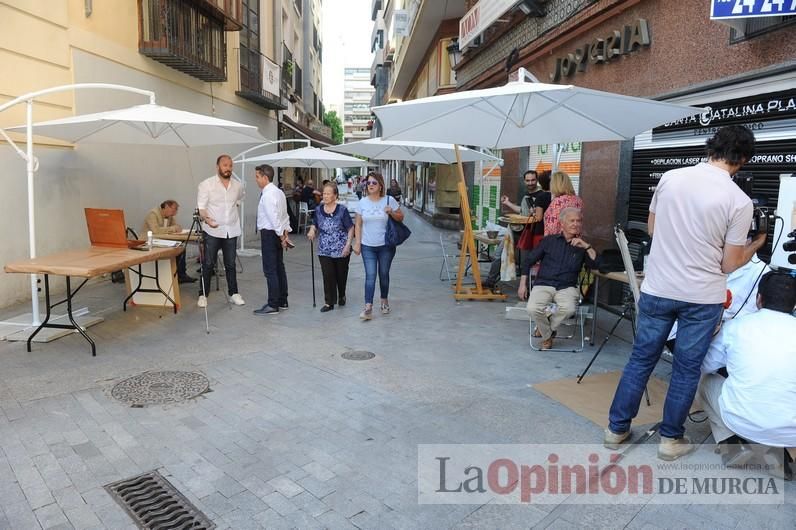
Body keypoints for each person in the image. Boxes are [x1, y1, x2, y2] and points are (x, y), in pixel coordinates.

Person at [605, 125, 768, 461]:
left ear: (712, 147)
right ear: (744, 159)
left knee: (641, 359)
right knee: (686, 368)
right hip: (702, 297)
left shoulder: (671, 177)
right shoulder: (739, 201)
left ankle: (616, 429)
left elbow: (652, 228)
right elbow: (729, 263)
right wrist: (755, 247)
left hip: (658, 288)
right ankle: (670, 440)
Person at [698, 271, 796, 476]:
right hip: (792, 432)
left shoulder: (737, 327)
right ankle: (779, 455)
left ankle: (732, 446)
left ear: (759, 299)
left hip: (743, 422)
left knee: (706, 382)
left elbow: (705, 365)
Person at [518, 208, 597, 349]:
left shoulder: (582, 246)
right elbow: (528, 261)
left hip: (567, 286)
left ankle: (546, 331)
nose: (575, 224)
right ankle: (548, 335)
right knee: (532, 308)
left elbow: (596, 265)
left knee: (568, 309)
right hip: (544, 283)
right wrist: (522, 284)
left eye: (578, 221)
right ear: (562, 223)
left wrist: (587, 246)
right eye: (571, 220)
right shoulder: (549, 241)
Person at [486, 170, 552, 290]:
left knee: (526, 262)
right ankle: (490, 281)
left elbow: (538, 217)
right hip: (515, 230)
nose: (530, 183)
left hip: (530, 233)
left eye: (533, 180)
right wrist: (508, 203)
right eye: (528, 180)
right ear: (524, 181)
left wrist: (533, 215)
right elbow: (522, 211)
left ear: (537, 181)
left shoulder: (542, 196)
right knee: (498, 255)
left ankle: (526, 288)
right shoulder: (526, 194)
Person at [352, 172, 403, 321]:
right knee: (370, 275)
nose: (371, 185)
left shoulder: (389, 200)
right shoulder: (362, 203)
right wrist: (357, 243)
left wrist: (391, 212)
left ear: (380, 185)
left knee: (384, 274)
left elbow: (401, 217)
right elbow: (358, 225)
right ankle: (368, 307)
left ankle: (384, 300)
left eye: (374, 183)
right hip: (368, 246)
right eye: (368, 183)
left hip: (386, 246)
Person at [197, 154, 245, 308]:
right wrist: (207, 220)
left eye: (230, 166)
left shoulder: (238, 186)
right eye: (225, 165)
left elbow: (239, 199)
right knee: (208, 263)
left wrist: (232, 209)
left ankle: (234, 293)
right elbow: (201, 208)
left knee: (230, 263)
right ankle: (203, 294)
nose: (228, 168)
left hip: (231, 230)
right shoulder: (206, 185)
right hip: (212, 231)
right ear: (217, 166)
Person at [307, 183, 354, 312]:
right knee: (328, 275)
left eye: (328, 193)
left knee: (341, 275)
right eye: (324, 193)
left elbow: (350, 228)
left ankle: (342, 294)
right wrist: (312, 230)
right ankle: (329, 302)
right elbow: (315, 223)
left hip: (341, 248)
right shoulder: (318, 210)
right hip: (324, 249)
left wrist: (348, 245)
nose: (325, 196)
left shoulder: (342, 210)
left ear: (335, 195)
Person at [253, 164, 292, 315]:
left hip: (270, 233)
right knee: (279, 267)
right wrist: (285, 232)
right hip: (278, 231)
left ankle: (273, 304)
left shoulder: (268, 194)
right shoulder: (279, 192)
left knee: (270, 270)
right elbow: (284, 215)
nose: (256, 180)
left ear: (265, 177)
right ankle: (283, 300)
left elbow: (274, 217)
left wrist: (282, 235)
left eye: (257, 176)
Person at [141, 200, 196, 284]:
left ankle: (181, 275)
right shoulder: (153, 214)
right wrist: (173, 228)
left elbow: (176, 226)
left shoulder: (169, 215)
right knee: (175, 248)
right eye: (174, 210)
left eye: (176, 210)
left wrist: (176, 227)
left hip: (161, 240)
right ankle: (173, 275)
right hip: (149, 242)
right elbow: (156, 231)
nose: (175, 213)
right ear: (166, 206)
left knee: (181, 247)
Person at [544, 171, 583, 236]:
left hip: (558, 241)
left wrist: (547, 242)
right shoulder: (578, 200)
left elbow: (552, 226)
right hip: (574, 239)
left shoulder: (558, 202)